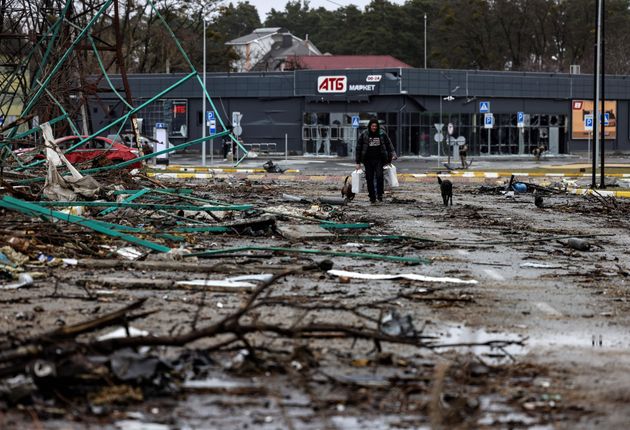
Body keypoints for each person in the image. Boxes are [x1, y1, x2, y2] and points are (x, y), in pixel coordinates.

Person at [355, 118, 397, 203]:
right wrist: (357, 162)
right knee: (369, 178)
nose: (374, 127)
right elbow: (358, 148)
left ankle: (380, 194)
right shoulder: (364, 134)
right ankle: (372, 196)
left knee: (379, 176)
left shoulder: (382, 133)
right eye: (372, 126)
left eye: (375, 126)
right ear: (369, 126)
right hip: (367, 160)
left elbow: (389, 144)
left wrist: (393, 154)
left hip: (379, 159)